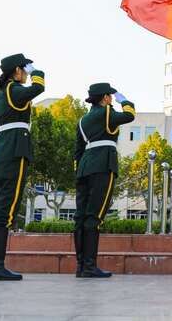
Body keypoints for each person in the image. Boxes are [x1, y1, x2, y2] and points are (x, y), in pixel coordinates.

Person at [0, 53, 45, 281]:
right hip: (14, 153)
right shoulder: (13, 90)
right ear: (17, 71)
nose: (27, 74)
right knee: (5, 212)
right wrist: (38, 70)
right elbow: (37, 88)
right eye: (25, 69)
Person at [73, 82, 135, 278]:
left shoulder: (83, 119)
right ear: (105, 98)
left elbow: (77, 151)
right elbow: (129, 114)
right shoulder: (106, 112)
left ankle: (81, 265)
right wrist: (123, 99)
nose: (111, 99)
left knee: (81, 217)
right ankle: (89, 266)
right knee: (94, 216)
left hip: (84, 167)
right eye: (110, 96)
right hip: (102, 165)